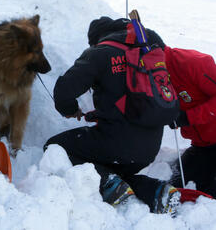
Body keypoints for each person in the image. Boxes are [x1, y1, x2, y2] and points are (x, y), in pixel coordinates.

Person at [44, 16, 180, 215]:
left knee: (55, 148)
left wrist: (71, 110)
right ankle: (155, 191)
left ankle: (109, 184)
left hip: (118, 144)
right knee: (108, 162)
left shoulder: (99, 53)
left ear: (95, 38)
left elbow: (64, 92)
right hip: (149, 148)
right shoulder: (148, 45)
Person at [160, 42, 216, 198]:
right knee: (175, 186)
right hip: (202, 146)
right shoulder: (153, 77)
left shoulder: (194, 63)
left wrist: (187, 117)